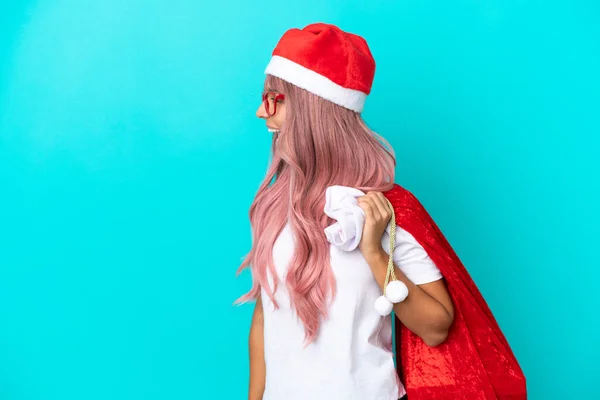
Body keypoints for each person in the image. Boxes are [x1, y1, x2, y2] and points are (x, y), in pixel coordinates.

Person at [237, 23, 526, 400]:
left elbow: (438, 327)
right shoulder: (275, 208)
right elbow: (265, 317)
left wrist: (375, 253)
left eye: (274, 97)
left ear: (313, 108)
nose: (261, 112)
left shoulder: (385, 208)